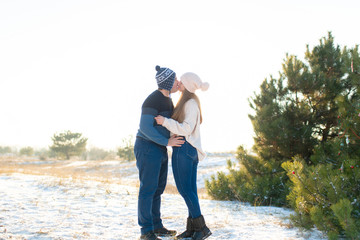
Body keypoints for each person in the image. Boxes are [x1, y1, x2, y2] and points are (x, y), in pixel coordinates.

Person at [154, 72, 212, 240]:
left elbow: (186, 128)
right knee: (190, 191)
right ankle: (192, 229)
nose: (177, 82)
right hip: (186, 148)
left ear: (186, 84)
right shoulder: (187, 101)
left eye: (181, 80)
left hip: (184, 148)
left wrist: (164, 121)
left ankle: (201, 229)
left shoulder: (191, 103)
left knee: (185, 190)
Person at [134, 65, 185, 240]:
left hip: (159, 148)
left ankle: (156, 226)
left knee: (158, 188)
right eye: (175, 80)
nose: (178, 82)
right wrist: (167, 141)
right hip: (147, 146)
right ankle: (146, 231)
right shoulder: (152, 100)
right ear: (168, 82)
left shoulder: (168, 99)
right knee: (148, 189)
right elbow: (145, 127)